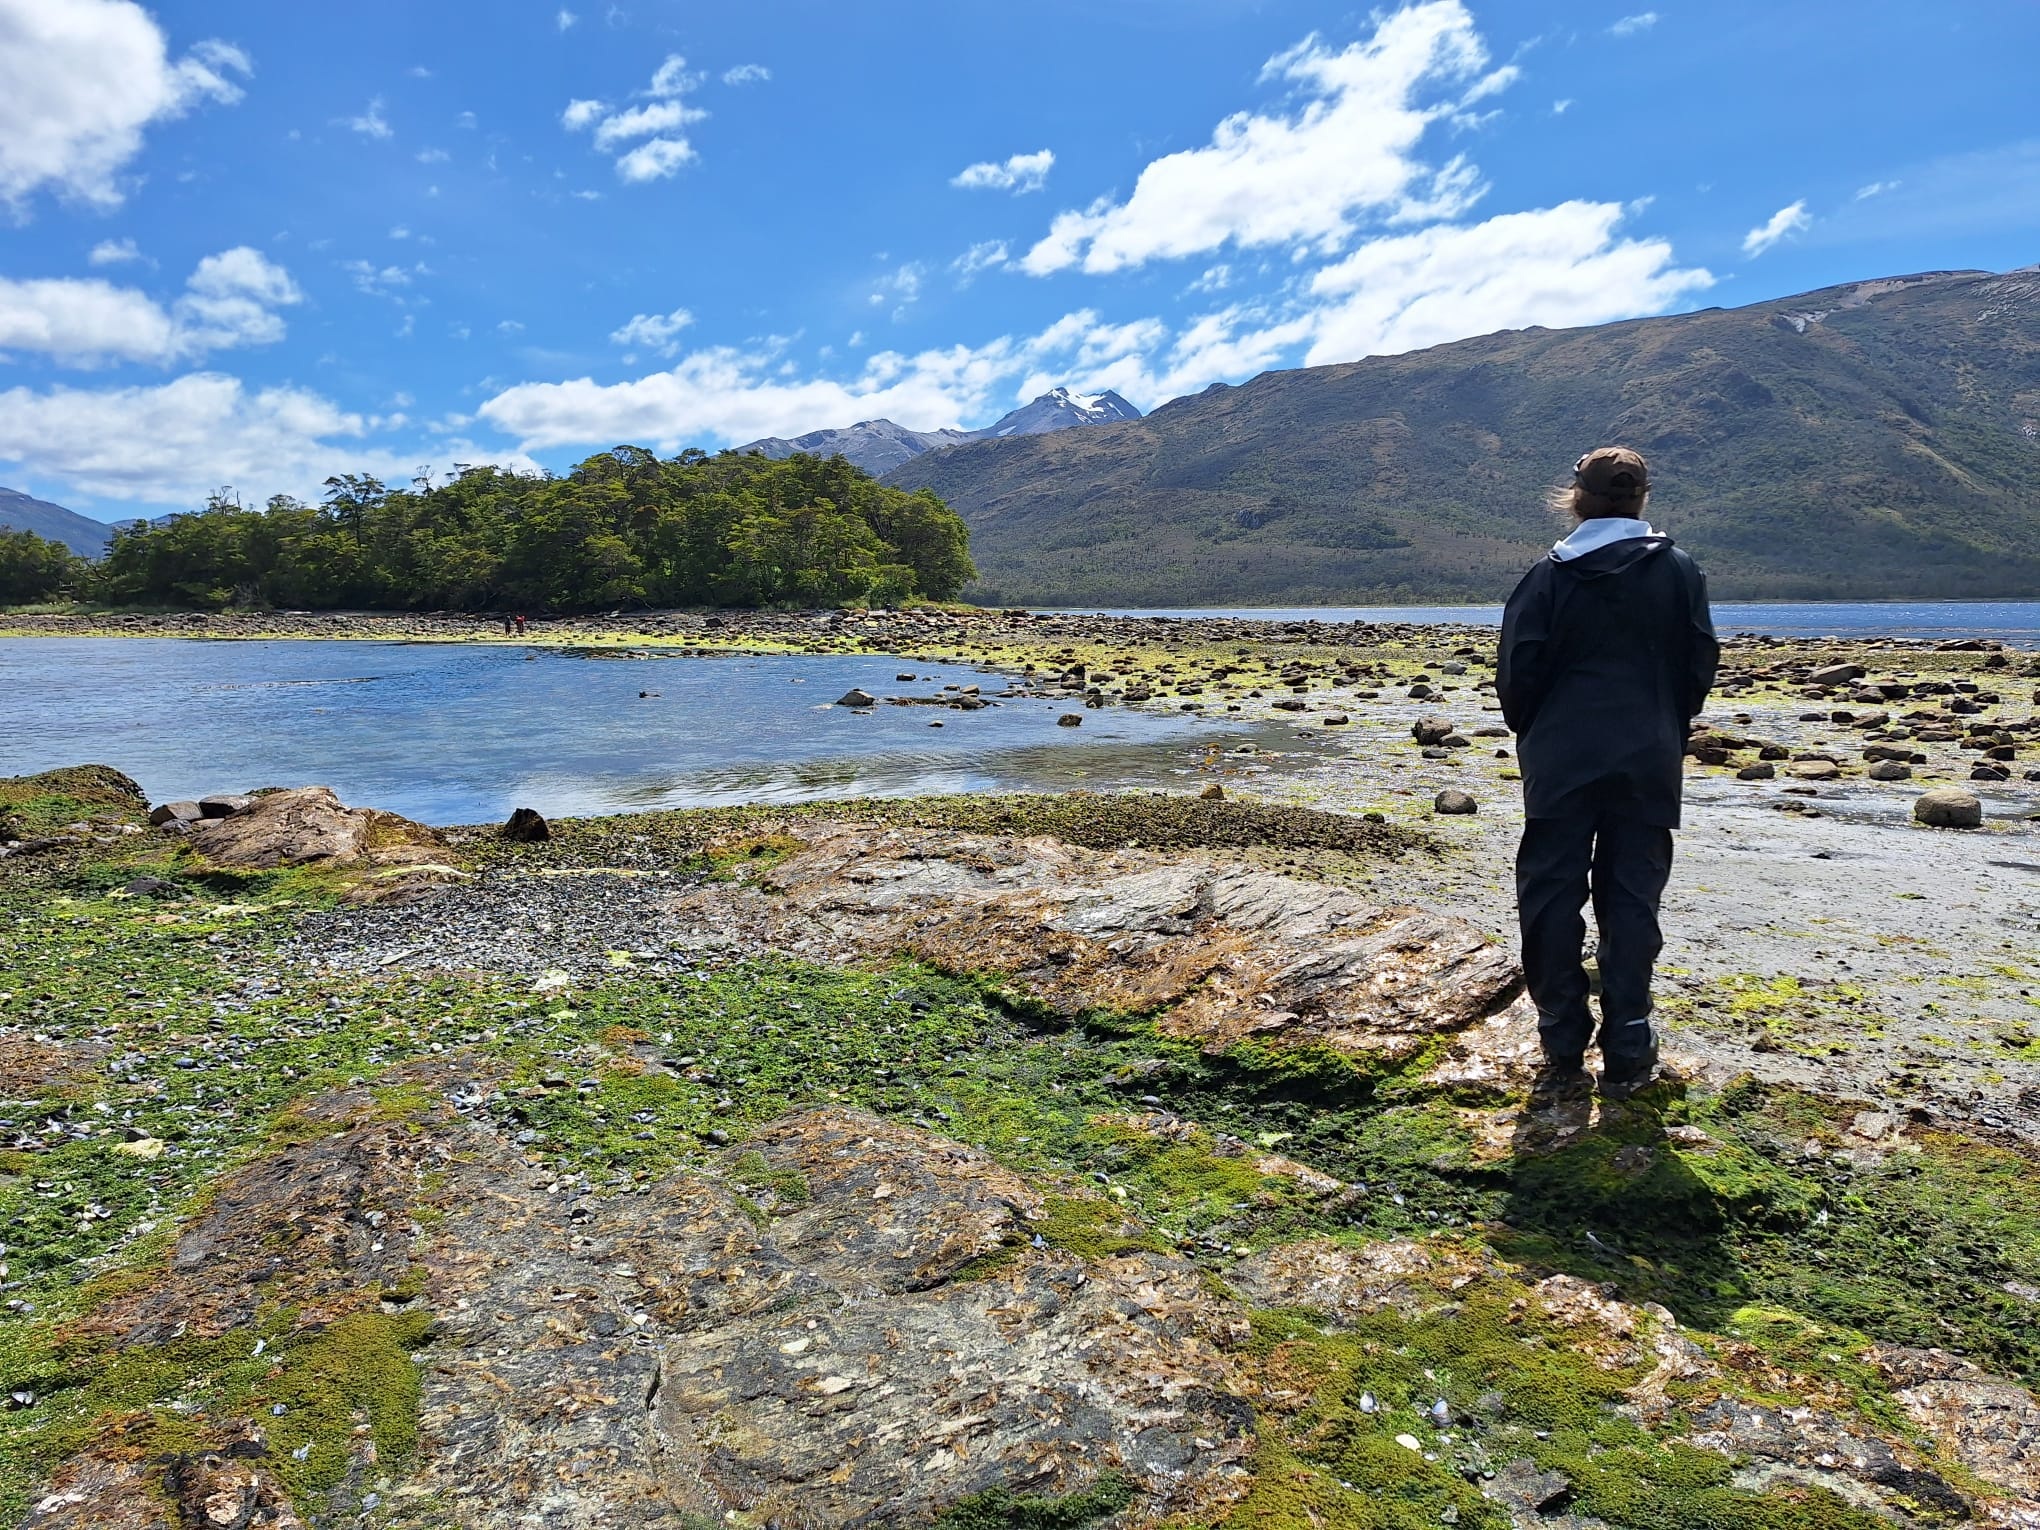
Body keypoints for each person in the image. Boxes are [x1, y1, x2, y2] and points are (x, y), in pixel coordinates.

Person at [1497, 446, 1719, 1099]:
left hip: (1561, 760)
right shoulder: (1680, 572)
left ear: (1578, 497)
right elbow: (1697, 666)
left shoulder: (1547, 577)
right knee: (1632, 897)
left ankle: (1561, 1036)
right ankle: (1628, 1036)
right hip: (1647, 757)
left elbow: (1517, 675)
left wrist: (1536, 732)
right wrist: (1662, 726)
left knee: (1549, 895)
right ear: (1642, 497)